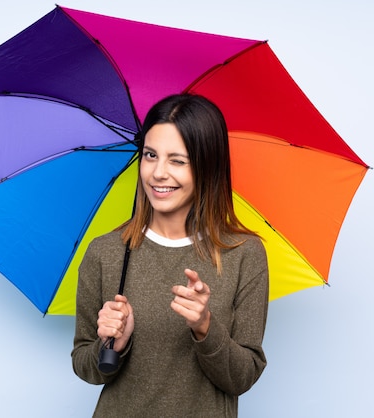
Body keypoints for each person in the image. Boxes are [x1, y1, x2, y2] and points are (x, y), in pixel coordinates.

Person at [71, 94, 269, 417]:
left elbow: (244, 375)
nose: (158, 173)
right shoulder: (105, 252)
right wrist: (112, 346)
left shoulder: (245, 254)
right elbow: (84, 364)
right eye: (150, 155)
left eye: (177, 160)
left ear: (207, 166)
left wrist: (206, 327)